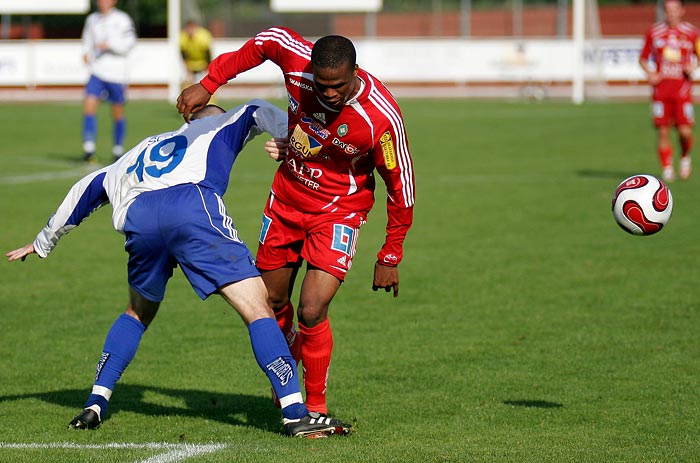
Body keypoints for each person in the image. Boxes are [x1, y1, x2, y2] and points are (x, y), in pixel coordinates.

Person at [5, 100, 351, 438]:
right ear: (211, 117)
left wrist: (43, 241)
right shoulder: (217, 124)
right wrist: (291, 138)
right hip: (190, 207)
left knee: (137, 313)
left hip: (140, 219)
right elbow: (254, 109)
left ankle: (96, 401)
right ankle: (295, 414)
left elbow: (88, 187)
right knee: (257, 307)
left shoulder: (140, 149)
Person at [177, 28, 416, 415]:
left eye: (337, 86)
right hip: (286, 200)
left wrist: (390, 255)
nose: (329, 93)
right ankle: (289, 354)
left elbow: (400, 186)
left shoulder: (380, 118)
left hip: (339, 212)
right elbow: (265, 41)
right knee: (269, 301)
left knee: (311, 309)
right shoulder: (297, 63)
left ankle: (316, 406)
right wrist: (209, 83)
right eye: (322, 85)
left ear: (355, 72)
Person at [639, 0, 700, 182]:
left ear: (682, 11)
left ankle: (684, 156)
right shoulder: (654, 32)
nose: (670, 13)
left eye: (674, 10)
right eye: (667, 10)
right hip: (661, 92)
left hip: (682, 91)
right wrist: (651, 73)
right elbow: (642, 59)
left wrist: (693, 66)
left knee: (684, 132)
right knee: (663, 131)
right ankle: (667, 168)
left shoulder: (692, 33)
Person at [81, 0, 137, 163]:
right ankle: (89, 149)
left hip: (116, 73)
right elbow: (87, 40)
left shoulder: (122, 19)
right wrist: (85, 52)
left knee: (117, 111)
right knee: (89, 106)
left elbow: (130, 42)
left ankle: (118, 150)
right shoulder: (92, 19)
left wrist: (110, 45)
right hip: (97, 71)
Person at [180, 20, 214, 89]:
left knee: (208, 83)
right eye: (188, 28)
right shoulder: (183, 37)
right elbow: (183, 53)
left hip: (203, 62)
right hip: (191, 63)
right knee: (187, 83)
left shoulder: (203, 36)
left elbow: (207, 53)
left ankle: (211, 99)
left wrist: (208, 67)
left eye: (192, 28)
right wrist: (187, 67)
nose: (190, 31)